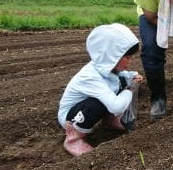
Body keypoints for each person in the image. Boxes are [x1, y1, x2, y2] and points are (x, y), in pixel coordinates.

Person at [57, 24, 143, 156]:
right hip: (72, 116)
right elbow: (116, 106)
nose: (129, 62)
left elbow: (121, 76)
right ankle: (73, 139)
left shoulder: (106, 67)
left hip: (84, 108)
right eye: (127, 57)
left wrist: (132, 77)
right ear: (112, 56)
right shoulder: (91, 77)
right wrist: (130, 89)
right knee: (100, 102)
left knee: (121, 83)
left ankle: (109, 120)